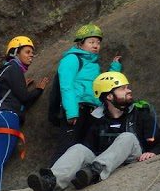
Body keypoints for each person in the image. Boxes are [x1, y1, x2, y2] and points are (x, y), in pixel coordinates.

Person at [27, 72, 160, 191]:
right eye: (123, 88)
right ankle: (49, 182)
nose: (129, 90)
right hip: (99, 163)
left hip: (131, 159)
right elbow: (88, 149)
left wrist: (153, 152)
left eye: (127, 87)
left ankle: (94, 172)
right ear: (109, 96)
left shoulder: (141, 114)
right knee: (78, 148)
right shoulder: (96, 119)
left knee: (127, 137)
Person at [0, 35, 49, 191]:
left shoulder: (4, 70)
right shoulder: (14, 69)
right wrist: (39, 90)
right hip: (8, 118)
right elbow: (24, 98)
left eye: (32, 53)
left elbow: (16, 96)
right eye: (27, 51)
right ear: (16, 52)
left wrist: (24, 86)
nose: (31, 55)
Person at [51, 23, 123, 159]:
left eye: (98, 42)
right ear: (80, 43)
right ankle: (50, 177)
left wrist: (115, 68)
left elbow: (101, 86)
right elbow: (66, 86)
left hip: (92, 111)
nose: (96, 45)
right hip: (77, 109)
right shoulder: (72, 59)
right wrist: (71, 111)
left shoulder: (93, 64)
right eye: (91, 42)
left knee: (84, 148)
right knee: (66, 147)